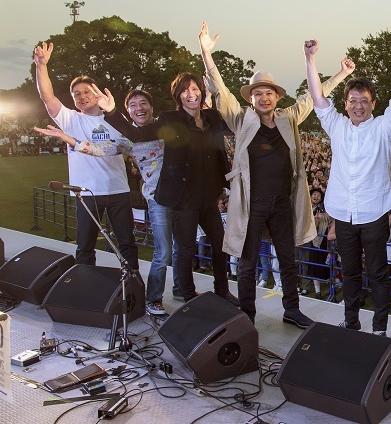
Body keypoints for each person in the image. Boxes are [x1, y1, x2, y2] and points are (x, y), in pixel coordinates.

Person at [200, 23, 352, 326]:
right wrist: (206, 53)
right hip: (251, 204)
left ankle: (291, 310)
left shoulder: (289, 118)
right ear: (251, 98)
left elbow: (315, 96)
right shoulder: (241, 119)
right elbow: (220, 89)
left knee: (287, 260)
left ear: (276, 97)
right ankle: (247, 313)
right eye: (258, 93)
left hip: (282, 203)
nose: (264, 97)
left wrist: (341, 75)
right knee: (246, 263)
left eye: (269, 92)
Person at [97, 73, 238, 306]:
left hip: (209, 196)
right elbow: (138, 134)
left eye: (195, 89)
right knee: (185, 249)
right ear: (178, 96)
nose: (190, 94)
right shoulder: (170, 119)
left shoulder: (212, 117)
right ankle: (188, 295)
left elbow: (235, 124)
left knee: (221, 244)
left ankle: (222, 291)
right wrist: (112, 112)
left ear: (201, 91)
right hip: (183, 198)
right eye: (184, 91)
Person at [34, 89, 176, 316]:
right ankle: (150, 298)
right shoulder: (128, 138)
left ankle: (179, 288)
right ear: (128, 111)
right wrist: (66, 138)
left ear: (152, 106)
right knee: (163, 252)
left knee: (183, 248)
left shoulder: (168, 124)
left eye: (143, 103)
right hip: (157, 197)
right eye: (133, 105)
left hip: (185, 196)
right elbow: (99, 149)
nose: (139, 108)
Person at [307, 38, 391, 336]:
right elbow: (316, 96)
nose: (357, 106)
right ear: (345, 104)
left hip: (374, 212)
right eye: (352, 100)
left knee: (377, 273)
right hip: (343, 213)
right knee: (349, 272)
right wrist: (310, 59)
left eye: (364, 100)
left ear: (373, 104)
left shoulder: (383, 127)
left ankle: (379, 328)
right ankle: (351, 320)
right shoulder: (336, 125)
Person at [33, 42, 138, 270]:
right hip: (87, 193)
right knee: (85, 246)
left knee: (127, 244)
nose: (82, 96)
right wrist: (41, 67)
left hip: (118, 190)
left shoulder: (115, 119)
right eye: (76, 94)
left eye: (86, 92)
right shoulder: (70, 119)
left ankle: (133, 289)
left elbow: (133, 145)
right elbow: (47, 96)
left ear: (97, 93)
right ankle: (84, 291)